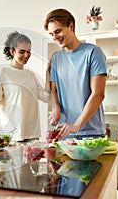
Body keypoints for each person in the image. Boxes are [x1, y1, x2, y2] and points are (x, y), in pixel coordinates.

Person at [43, 9, 107, 140]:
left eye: (58, 31)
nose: (55, 37)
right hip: (63, 131)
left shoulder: (93, 53)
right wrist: (55, 107)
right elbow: (53, 89)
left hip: (90, 133)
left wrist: (76, 125)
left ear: (71, 26)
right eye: (51, 34)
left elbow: (98, 94)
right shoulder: (56, 58)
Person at [0, 31, 51, 142]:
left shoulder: (31, 75)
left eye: (29, 51)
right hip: (13, 135)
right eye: (22, 51)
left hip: (33, 135)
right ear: (12, 51)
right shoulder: (3, 72)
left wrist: (48, 73)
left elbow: (46, 97)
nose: (26, 55)